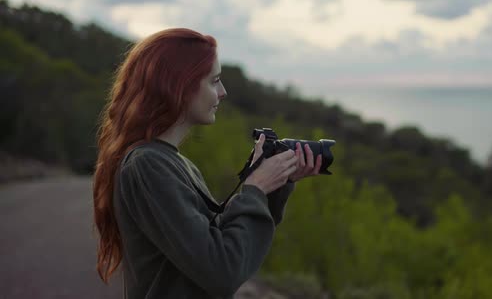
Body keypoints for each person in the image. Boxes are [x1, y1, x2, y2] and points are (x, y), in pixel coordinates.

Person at [92, 28, 322, 298]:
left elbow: (233, 250)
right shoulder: (147, 166)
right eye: (214, 81)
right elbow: (221, 271)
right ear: (180, 85)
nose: (222, 92)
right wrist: (255, 188)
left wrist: (274, 184)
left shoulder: (176, 164)